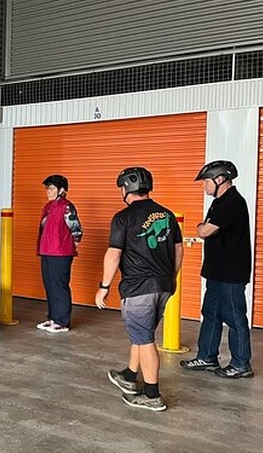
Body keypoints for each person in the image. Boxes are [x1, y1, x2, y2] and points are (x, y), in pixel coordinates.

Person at [96, 167, 183, 412]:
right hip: (163, 285)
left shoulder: (123, 218)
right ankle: (129, 375)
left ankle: (152, 395)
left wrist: (104, 287)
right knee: (142, 334)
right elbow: (178, 250)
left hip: (138, 288)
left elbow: (114, 254)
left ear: (127, 189)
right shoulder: (167, 214)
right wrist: (172, 278)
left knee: (145, 340)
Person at [180, 160, 254, 378]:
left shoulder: (232, 202)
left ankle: (241, 364)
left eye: (206, 181)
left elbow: (204, 231)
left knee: (234, 317)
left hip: (231, 273)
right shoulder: (219, 202)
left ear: (220, 179)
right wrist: (203, 228)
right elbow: (206, 229)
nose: (204, 186)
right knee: (211, 313)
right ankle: (207, 357)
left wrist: (202, 228)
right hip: (216, 271)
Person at [37, 174, 83, 333]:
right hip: (46, 251)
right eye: (47, 188)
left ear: (61, 190)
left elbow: (76, 229)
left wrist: (71, 245)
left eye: (51, 188)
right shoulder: (48, 207)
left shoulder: (67, 207)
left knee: (59, 286)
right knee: (49, 285)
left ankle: (62, 322)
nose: (48, 191)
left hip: (60, 252)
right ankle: (53, 318)